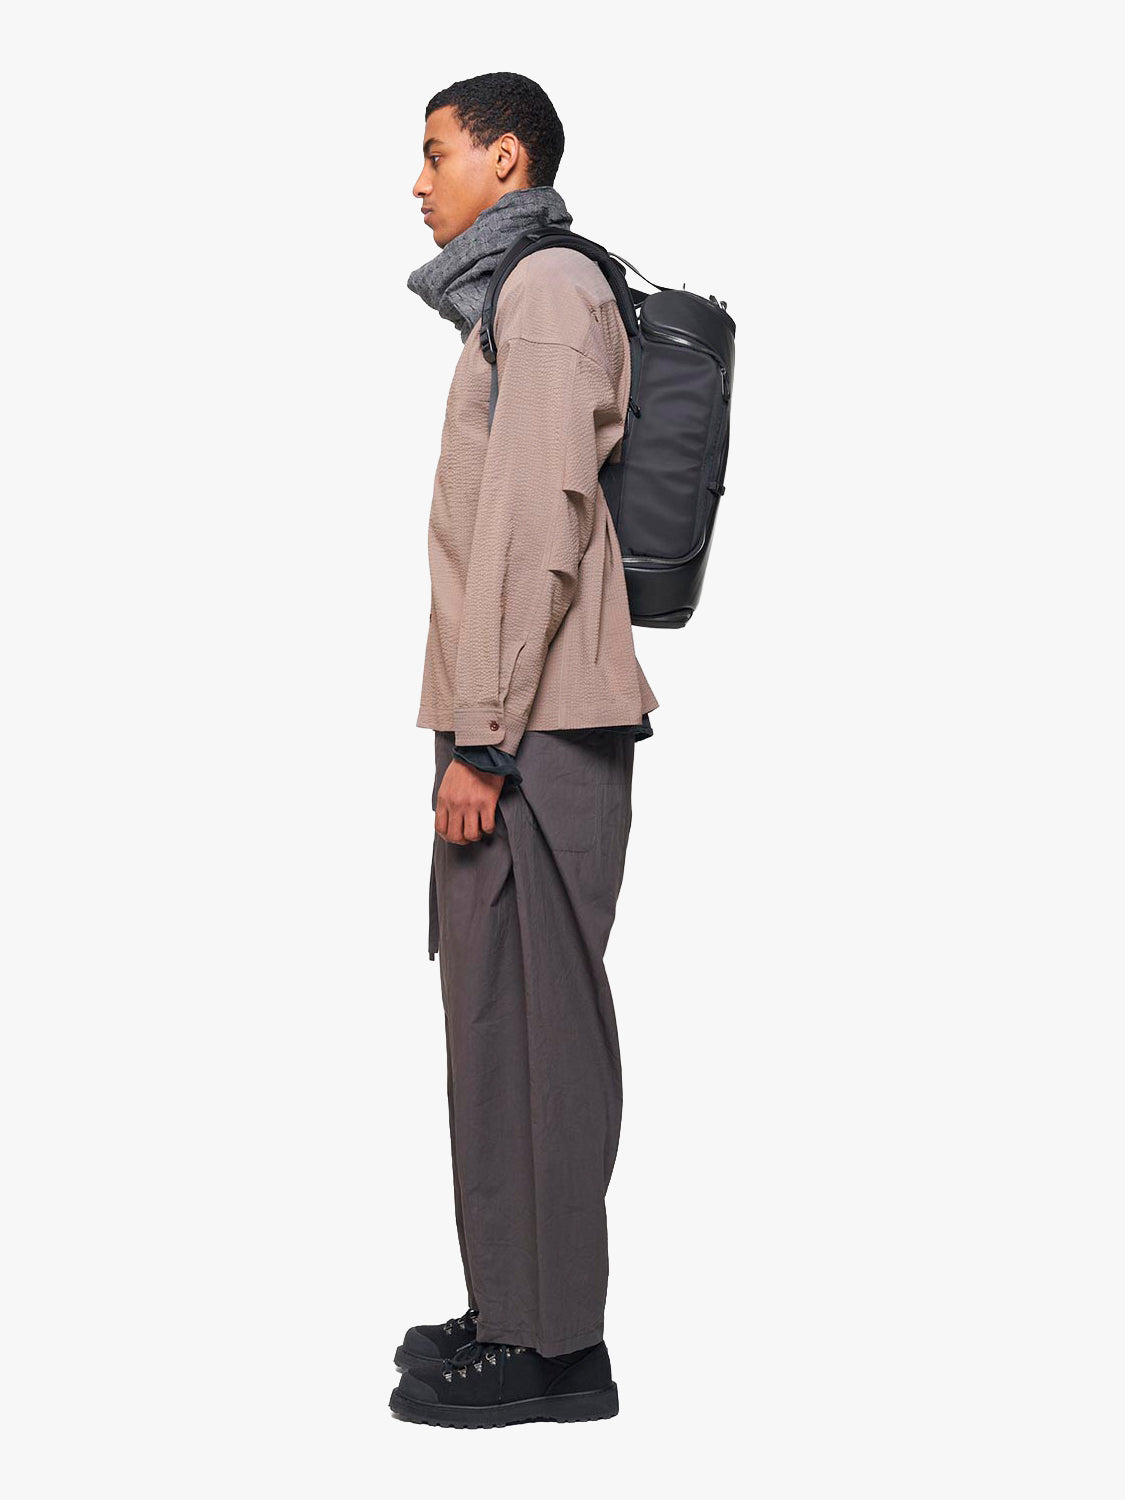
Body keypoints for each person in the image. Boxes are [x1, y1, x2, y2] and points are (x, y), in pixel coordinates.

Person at [388, 72, 659, 1429]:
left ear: (507, 159)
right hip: (511, 719)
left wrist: (482, 745)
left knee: (544, 1035)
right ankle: (511, 1306)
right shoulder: (510, 294)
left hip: (537, 731)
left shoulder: (546, 290)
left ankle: (559, 1348)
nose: (416, 181)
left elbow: (536, 523)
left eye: (436, 153)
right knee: (494, 1025)